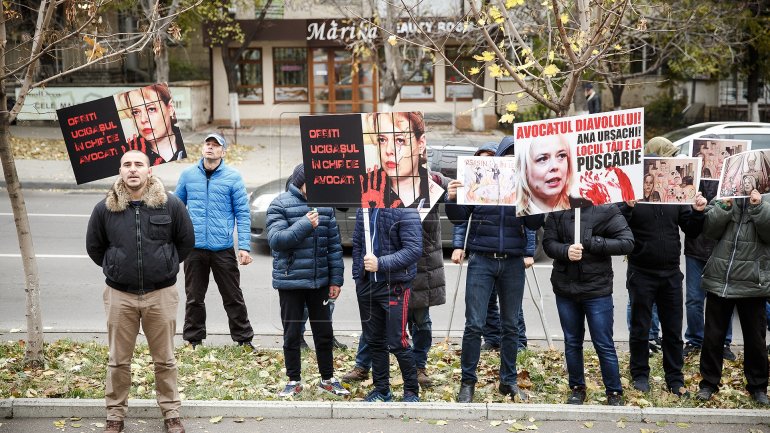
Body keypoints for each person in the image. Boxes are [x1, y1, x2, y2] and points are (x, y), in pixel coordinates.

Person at [86, 150, 194, 433]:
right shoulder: (105, 209)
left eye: (139, 164)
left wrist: (166, 265)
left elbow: (185, 243)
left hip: (161, 294)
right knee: (118, 360)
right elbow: (95, 248)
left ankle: (171, 413)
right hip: (119, 296)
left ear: (149, 170)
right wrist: (116, 267)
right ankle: (115, 416)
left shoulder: (170, 205)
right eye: (127, 165)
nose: (133, 169)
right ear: (120, 171)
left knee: (166, 359)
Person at [445, 136, 545, 403]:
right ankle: (468, 383)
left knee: (511, 325)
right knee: (474, 325)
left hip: (512, 262)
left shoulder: (525, 186)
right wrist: (452, 197)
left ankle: (508, 382)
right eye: (507, 156)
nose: (512, 160)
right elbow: (458, 216)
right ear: (499, 158)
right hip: (482, 259)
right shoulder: (480, 179)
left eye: (516, 157)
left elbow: (535, 224)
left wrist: (533, 196)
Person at [343, 168, 451, 389]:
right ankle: (365, 367)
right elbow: (359, 240)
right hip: (381, 275)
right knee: (376, 329)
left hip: (422, 268)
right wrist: (359, 276)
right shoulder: (377, 196)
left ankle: (417, 370)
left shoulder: (431, 181)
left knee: (418, 322)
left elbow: (452, 189)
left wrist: (445, 187)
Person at [620, 136, 707, 397]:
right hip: (641, 272)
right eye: (666, 156)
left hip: (670, 273)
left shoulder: (674, 194)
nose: (670, 161)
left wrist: (698, 212)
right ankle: (640, 376)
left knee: (672, 329)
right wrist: (627, 207)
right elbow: (619, 228)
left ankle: (674, 379)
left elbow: (690, 230)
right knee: (640, 328)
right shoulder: (634, 190)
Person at [265, 163, 350, 398]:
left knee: (323, 332)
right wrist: (304, 224)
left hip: (320, 282)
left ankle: (328, 379)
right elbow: (276, 241)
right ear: (300, 182)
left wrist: (336, 280)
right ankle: (293, 380)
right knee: (292, 333)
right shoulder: (280, 204)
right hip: (290, 281)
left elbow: (334, 247)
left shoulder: (325, 206)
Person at [543, 203, 634, 405]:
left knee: (603, 342)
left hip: (597, 290)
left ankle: (614, 392)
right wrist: (566, 251)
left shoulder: (607, 209)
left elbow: (627, 242)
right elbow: (548, 243)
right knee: (572, 341)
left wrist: (593, 243)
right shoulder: (559, 207)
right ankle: (577, 388)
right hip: (565, 288)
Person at [175, 133, 255, 348]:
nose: (210, 148)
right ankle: (194, 339)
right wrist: (175, 242)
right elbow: (176, 210)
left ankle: (244, 340)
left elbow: (243, 214)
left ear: (223, 151)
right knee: (194, 298)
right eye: (207, 144)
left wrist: (244, 247)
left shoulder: (233, 177)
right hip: (194, 248)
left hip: (223, 249)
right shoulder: (188, 175)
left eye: (215, 145)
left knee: (233, 297)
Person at [696, 188, 770, 405]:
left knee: (756, 339)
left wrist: (758, 207)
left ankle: (758, 387)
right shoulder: (725, 193)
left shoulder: (766, 198)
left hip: (752, 281)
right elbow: (709, 230)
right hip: (721, 278)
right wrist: (725, 206)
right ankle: (708, 383)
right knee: (712, 336)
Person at [352, 206, 423, 402]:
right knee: (374, 340)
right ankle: (382, 389)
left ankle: (411, 391)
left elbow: (414, 249)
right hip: (367, 286)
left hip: (395, 286)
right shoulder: (363, 209)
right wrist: (359, 276)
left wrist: (380, 264)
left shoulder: (405, 209)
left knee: (397, 341)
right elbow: (357, 244)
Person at [683, 179, 736, 361]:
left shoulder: (731, 176)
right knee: (694, 300)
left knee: (724, 297)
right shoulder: (694, 176)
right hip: (695, 249)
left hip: (722, 249)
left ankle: (724, 342)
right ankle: (695, 340)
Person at [361, 112, 428, 208]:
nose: (388, 150)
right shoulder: (363, 186)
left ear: (420, 145)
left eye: (400, 140)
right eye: (382, 140)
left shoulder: (438, 184)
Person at [118, 84, 186, 166]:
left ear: (170, 108)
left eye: (151, 109)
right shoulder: (126, 153)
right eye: (135, 112)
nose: (143, 119)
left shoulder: (185, 142)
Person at [515, 134, 572, 215]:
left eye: (561, 155)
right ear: (524, 169)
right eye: (542, 159)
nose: (555, 166)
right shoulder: (510, 211)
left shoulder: (582, 206)